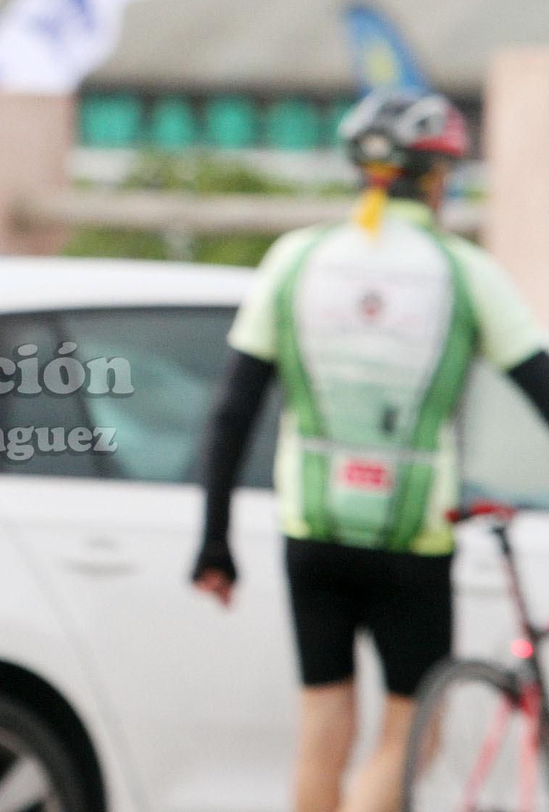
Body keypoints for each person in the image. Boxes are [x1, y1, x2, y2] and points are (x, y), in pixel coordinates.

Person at [190, 88, 549, 812]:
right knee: (412, 728)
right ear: (438, 177)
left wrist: (215, 543)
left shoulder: (297, 258)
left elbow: (232, 410)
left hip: (312, 528)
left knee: (322, 725)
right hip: (412, 538)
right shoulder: (463, 271)